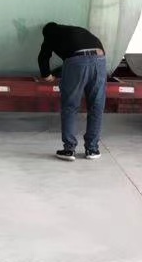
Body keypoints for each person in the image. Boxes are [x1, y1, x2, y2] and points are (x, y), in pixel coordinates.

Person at [38, 22, 107, 162]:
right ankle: (92, 149)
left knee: (70, 106)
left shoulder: (50, 34)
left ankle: (69, 150)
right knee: (96, 106)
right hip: (100, 58)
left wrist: (47, 76)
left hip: (76, 61)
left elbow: (43, 57)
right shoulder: (74, 30)